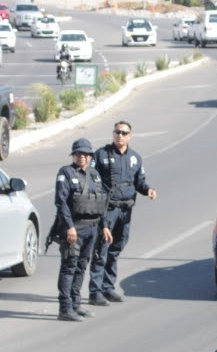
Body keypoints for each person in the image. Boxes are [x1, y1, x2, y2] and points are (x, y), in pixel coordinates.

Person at [88, 120, 157, 305]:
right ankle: (95, 291)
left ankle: (108, 287)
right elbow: (91, 179)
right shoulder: (102, 155)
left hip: (125, 210)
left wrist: (148, 190)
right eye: (117, 132)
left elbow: (140, 181)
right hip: (107, 209)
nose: (120, 135)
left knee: (116, 247)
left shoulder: (135, 158)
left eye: (124, 133)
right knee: (101, 248)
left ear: (129, 136)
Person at [54, 137, 111, 321]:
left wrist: (104, 227)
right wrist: (69, 227)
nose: (83, 158)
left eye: (86, 155)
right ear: (74, 155)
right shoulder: (66, 173)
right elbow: (61, 202)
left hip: (92, 228)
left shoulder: (94, 174)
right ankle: (65, 308)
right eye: (79, 154)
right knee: (69, 267)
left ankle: (76, 304)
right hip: (75, 229)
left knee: (81, 267)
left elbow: (100, 203)